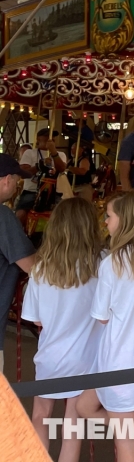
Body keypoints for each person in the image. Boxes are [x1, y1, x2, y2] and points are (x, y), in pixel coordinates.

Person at [77, 190, 134, 462]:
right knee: (85, 406)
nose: (105, 221)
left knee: (124, 443)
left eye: (109, 216)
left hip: (118, 361)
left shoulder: (112, 263)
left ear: (125, 221)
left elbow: (101, 316)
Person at [21, 197, 103, 462]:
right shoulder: (101, 264)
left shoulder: (41, 270)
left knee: (40, 416)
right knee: (73, 424)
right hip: (86, 357)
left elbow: (36, 320)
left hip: (50, 356)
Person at [0, 154, 35, 373]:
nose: (16, 186)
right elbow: (33, 267)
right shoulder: (3, 216)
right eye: (16, 180)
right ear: (7, 180)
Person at [17, 128, 67, 222]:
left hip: (53, 192)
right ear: (39, 139)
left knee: (64, 215)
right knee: (21, 214)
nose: (51, 138)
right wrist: (39, 165)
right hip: (32, 191)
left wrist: (54, 152)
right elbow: (23, 173)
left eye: (53, 136)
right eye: (47, 136)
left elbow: (62, 169)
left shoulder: (61, 154)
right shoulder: (30, 153)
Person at [65, 125, 96, 202]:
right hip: (72, 186)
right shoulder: (70, 161)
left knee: (84, 204)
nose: (72, 151)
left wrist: (69, 169)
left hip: (82, 187)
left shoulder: (84, 160)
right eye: (71, 149)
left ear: (81, 150)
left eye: (74, 149)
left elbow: (82, 171)